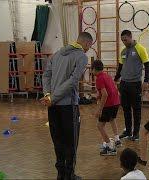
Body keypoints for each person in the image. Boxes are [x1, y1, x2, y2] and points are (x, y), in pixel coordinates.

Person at [41, 32, 93, 180]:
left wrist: (48, 95)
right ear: (87, 44)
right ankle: (69, 175)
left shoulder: (57, 54)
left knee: (57, 140)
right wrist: (53, 97)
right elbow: (73, 82)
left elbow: (46, 75)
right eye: (89, 46)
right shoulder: (81, 56)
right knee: (71, 142)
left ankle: (60, 174)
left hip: (53, 106)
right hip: (68, 107)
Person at [115, 30, 149, 141]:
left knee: (136, 109)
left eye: (125, 39)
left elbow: (147, 65)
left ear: (130, 37)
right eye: (122, 40)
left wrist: (146, 80)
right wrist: (115, 79)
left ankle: (136, 133)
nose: (124, 42)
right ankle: (128, 131)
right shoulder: (123, 51)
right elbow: (120, 67)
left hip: (135, 84)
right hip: (124, 84)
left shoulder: (140, 48)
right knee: (125, 109)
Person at [91, 60, 122, 156]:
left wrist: (99, 110)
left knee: (100, 126)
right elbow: (112, 90)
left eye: (92, 70)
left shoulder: (99, 78)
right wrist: (99, 96)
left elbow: (105, 94)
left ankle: (110, 147)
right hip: (116, 102)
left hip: (109, 104)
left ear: (94, 69)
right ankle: (117, 140)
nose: (91, 72)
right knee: (112, 119)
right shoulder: (107, 76)